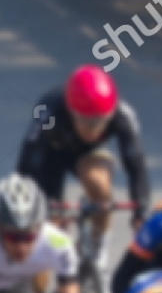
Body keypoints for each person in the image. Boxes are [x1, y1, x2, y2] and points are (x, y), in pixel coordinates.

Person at [16, 65, 149, 269]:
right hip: (50, 155)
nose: (93, 130)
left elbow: (136, 163)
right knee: (46, 230)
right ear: (71, 112)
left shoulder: (122, 114)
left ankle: (98, 247)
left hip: (88, 154)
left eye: (100, 122)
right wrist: (35, 207)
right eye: (86, 122)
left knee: (100, 187)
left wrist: (140, 211)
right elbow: (29, 161)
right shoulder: (49, 111)